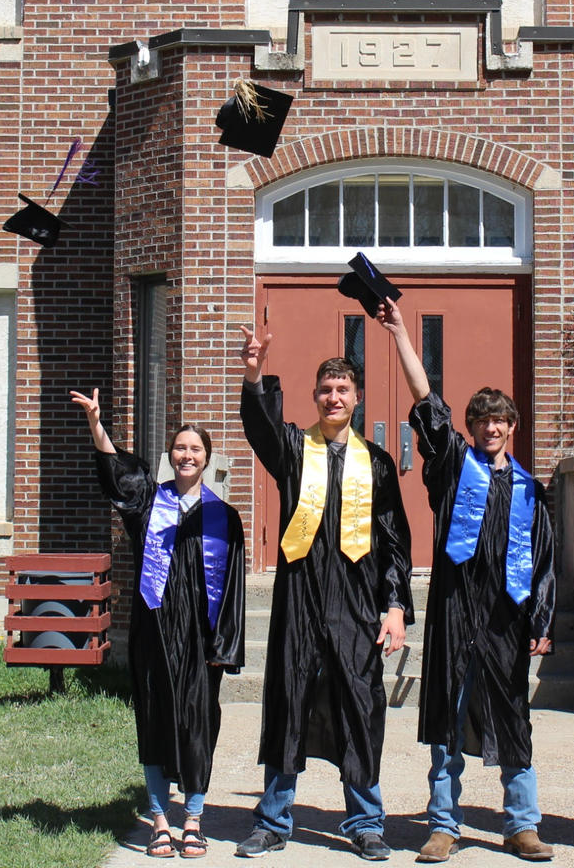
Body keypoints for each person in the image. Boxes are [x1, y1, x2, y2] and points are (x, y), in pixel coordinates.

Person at [377, 300, 556, 863]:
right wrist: (404, 332)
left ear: (512, 426)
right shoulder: (455, 465)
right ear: (471, 429)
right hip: (457, 613)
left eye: (500, 419)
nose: (492, 427)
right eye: (482, 420)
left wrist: (542, 621)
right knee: (448, 718)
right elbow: (426, 400)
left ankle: (522, 824)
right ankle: (444, 825)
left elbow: (545, 562)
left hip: (507, 619)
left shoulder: (530, 491)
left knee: (514, 719)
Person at [235, 327, 413, 861]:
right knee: (288, 701)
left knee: (360, 706)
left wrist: (397, 605)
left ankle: (366, 821)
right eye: (325, 390)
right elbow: (259, 428)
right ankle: (272, 820)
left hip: (356, 607)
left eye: (343, 390)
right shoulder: (295, 448)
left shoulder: (377, 463)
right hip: (299, 601)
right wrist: (253, 372)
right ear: (315, 397)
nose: (334, 398)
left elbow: (394, 540)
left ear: (357, 399)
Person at [71, 388, 245, 859]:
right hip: (155, 637)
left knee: (199, 726)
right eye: (180, 447)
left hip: (200, 641)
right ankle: (160, 819)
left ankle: (194, 818)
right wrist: (96, 424)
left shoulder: (225, 518)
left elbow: (232, 589)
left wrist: (225, 645)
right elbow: (117, 475)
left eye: (196, 449)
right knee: (152, 722)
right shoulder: (149, 504)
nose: (186, 455)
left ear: (207, 458)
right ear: (171, 455)